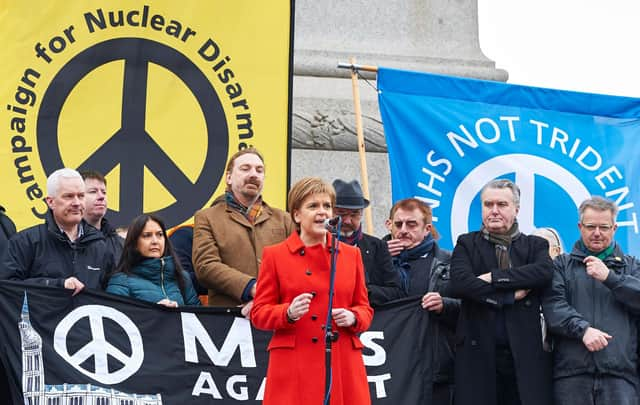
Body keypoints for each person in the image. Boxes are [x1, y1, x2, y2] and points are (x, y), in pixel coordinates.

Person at [251, 177, 373, 405]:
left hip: (341, 360)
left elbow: (365, 309)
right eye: (313, 206)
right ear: (297, 215)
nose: (322, 212)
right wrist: (287, 313)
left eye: (327, 206)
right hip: (294, 361)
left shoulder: (350, 255)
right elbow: (259, 313)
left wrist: (354, 316)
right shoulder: (275, 256)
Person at [449, 178, 553, 405]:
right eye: (488, 204)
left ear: (516, 209)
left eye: (502, 204)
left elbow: (542, 272)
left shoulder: (535, 245)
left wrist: (495, 277)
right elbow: (459, 284)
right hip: (477, 355)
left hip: (523, 357)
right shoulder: (466, 243)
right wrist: (506, 296)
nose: (494, 211)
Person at [542, 196, 640, 405]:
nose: (597, 233)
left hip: (620, 377)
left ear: (614, 228)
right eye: (590, 226)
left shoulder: (632, 266)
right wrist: (583, 330)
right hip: (571, 375)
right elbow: (554, 307)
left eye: (603, 227)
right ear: (580, 227)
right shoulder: (561, 264)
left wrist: (611, 278)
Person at [192, 147, 294, 314]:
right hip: (228, 319)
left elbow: (298, 268)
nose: (254, 174)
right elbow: (206, 266)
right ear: (229, 177)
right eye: (245, 168)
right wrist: (251, 288)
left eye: (259, 170)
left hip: (276, 317)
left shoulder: (284, 219)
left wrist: (264, 300)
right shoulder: (207, 217)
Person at [386, 197, 459, 404]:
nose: (403, 230)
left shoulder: (449, 262)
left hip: (434, 369)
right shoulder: (373, 259)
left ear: (427, 228)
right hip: (388, 366)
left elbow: (470, 308)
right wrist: (377, 259)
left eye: (411, 224)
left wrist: (445, 305)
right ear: (388, 225)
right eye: (398, 224)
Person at [0, 168, 114, 294]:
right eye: (68, 196)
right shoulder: (24, 242)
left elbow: (112, 295)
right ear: (50, 202)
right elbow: (8, 288)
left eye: (81, 196)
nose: (76, 203)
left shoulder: (100, 245)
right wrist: (57, 285)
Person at [332, 178, 403, 306]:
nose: (347, 221)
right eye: (341, 214)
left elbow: (396, 291)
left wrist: (363, 291)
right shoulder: (316, 244)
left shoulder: (377, 247)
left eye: (354, 214)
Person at [105, 214, 200, 307]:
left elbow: (198, 318)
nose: (155, 241)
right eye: (147, 235)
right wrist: (154, 313)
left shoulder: (183, 278)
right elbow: (115, 319)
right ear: (134, 243)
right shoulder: (121, 280)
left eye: (160, 235)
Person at [80, 170, 124, 262]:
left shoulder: (120, 244)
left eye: (104, 192)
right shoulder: (67, 240)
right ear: (78, 197)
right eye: (93, 192)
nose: (101, 197)